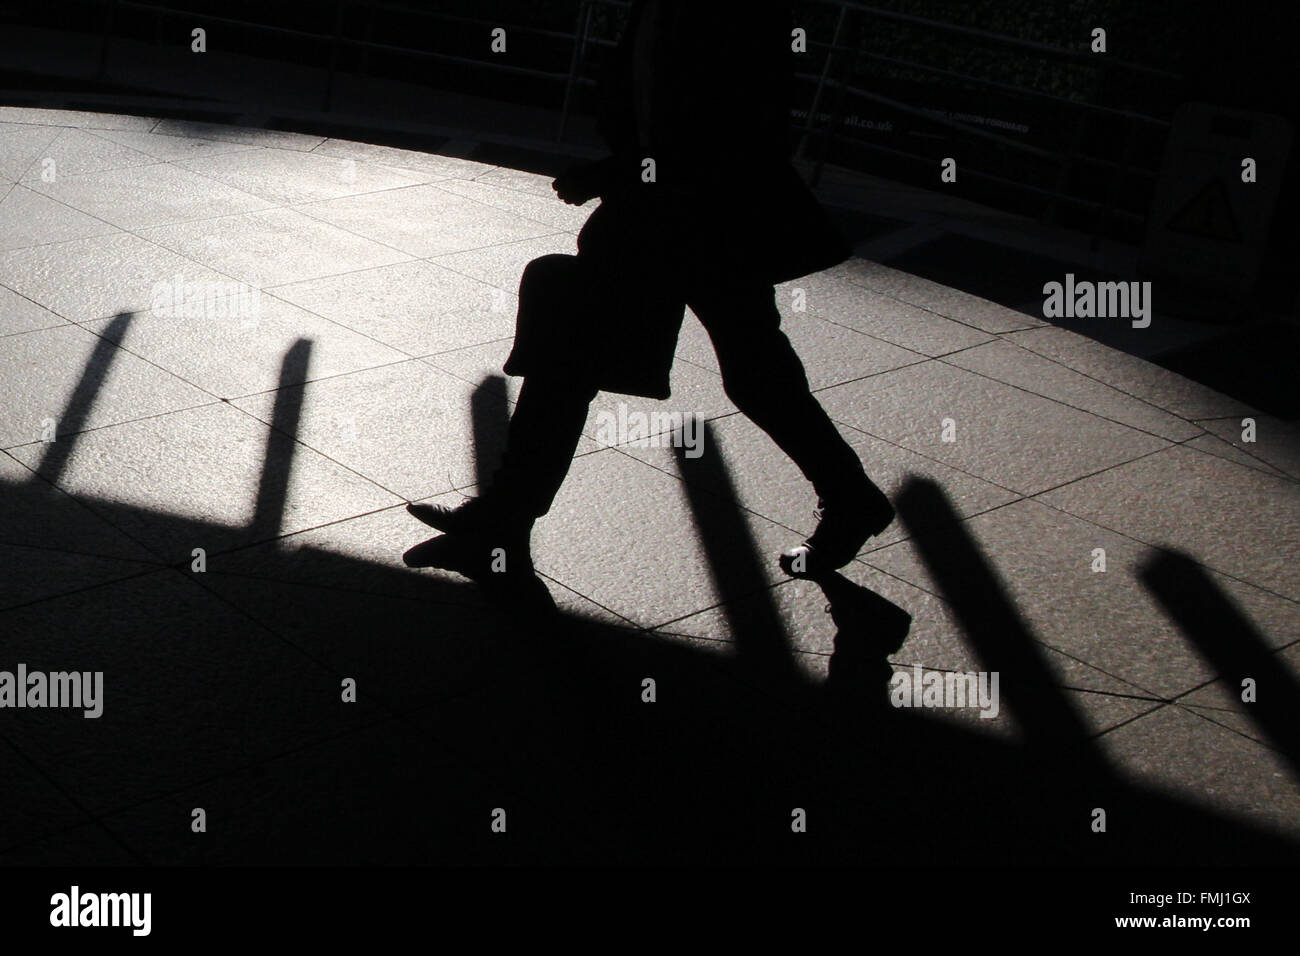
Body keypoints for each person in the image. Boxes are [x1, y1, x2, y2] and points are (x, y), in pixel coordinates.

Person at [408, 0, 893, 580]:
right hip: (680, 214)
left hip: (703, 216)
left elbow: (725, 130)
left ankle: (504, 520)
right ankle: (504, 518)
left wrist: (617, 172)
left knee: (595, 356)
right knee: (728, 370)